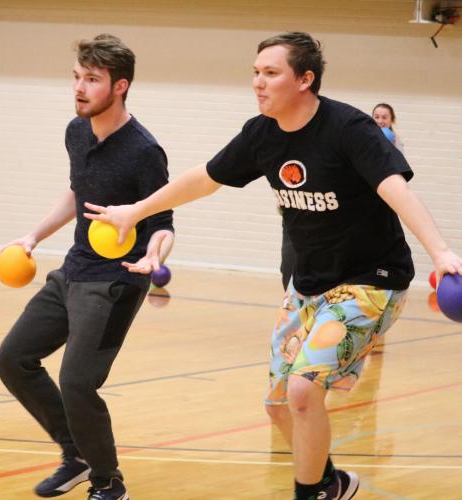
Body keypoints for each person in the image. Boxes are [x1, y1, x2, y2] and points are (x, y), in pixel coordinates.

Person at [82, 32, 462, 500]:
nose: (258, 83)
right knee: (280, 405)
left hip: (371, 282)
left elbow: (394, 189)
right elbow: (203, 179)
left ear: (305, 80)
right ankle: (330, 483)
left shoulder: (349, 128)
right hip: (306, 287)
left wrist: (441, 251)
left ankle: (309, 494)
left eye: (271, 73)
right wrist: (134, 211)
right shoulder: (261, 134)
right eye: (256, 73)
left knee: (303, 392)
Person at [0, 34, 174, 500]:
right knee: (13, 359)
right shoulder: (76, 131)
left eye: (92, 80)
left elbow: (163, 222)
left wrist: (156, 253)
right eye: (77, 77)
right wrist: (34, 236)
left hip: (115, 283)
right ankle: (75, 455)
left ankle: (108, 481)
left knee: (77, 382)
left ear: (120, 86)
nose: (79, 88)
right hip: (72, 271)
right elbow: (78, 193)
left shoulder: (144, 151)